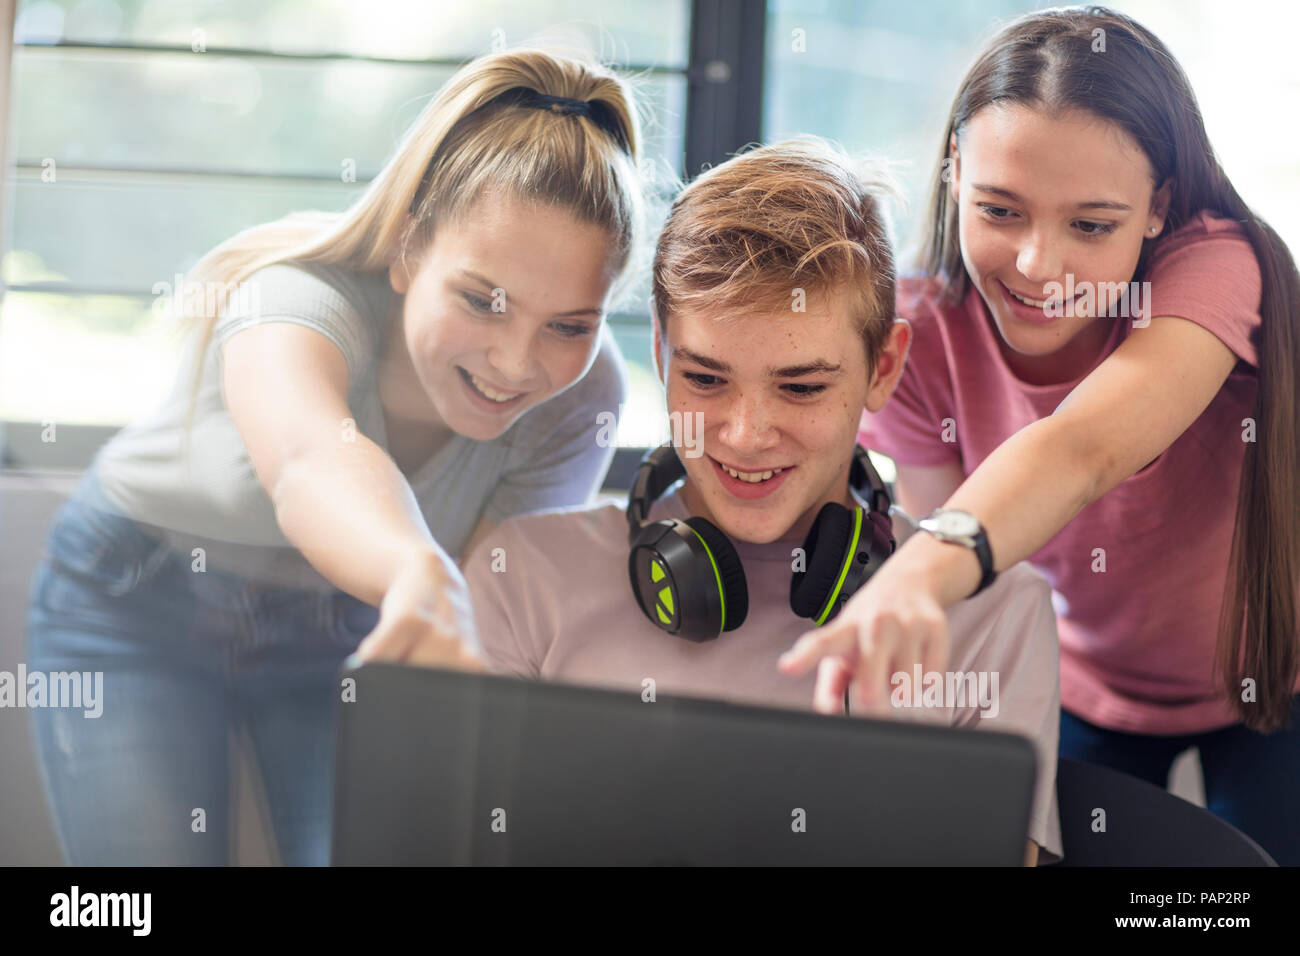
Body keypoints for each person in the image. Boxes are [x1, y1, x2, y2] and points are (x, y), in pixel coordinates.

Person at [25, 47, 646, 866]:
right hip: (136, 601)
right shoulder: (294, 302)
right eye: (482, 301)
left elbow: (494, 597)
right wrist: (419, 573)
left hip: (350, 635)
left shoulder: (581, 399)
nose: (515, 363)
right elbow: (314, 459)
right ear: (409, 248)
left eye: (570, 323)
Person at [780, 6, 1300, 864]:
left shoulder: (1216, 266)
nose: (1036, 266)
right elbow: (980, 585)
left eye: (1091, 226)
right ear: (954, 174)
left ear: (1158, 207)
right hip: (1088, 686)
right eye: (1000, 210)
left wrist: (915, 573)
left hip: (1273, 681)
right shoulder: (920, 333)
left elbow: (1081, 449)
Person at [461, 140, 1064, 865]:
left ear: (885, 368)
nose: (745, 437)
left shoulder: (996, 615)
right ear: (660, 355)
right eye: (706, 380)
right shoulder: (522, 577)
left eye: (801, 387)